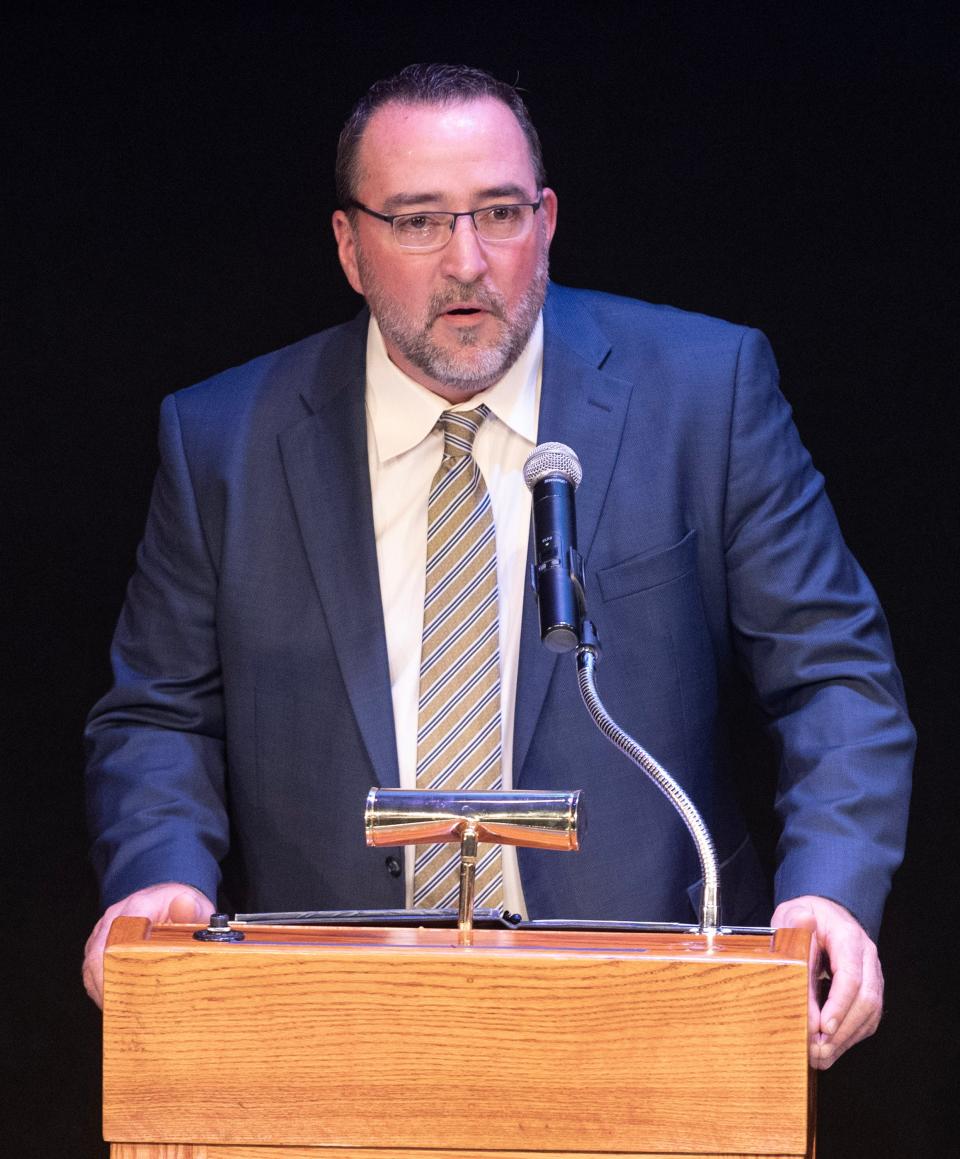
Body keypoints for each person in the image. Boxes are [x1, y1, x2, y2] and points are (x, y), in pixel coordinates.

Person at [83, 64, 914, 1070]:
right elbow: (159, 713)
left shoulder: (705, 393)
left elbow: (834, 674)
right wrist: (160, 875)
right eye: (419, 222)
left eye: (500, 214)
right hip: (328, 1018)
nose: (468, 262)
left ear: (548, 220)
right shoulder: (223, 441)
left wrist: (826, 889)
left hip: (659, 1012)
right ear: (349, 245)